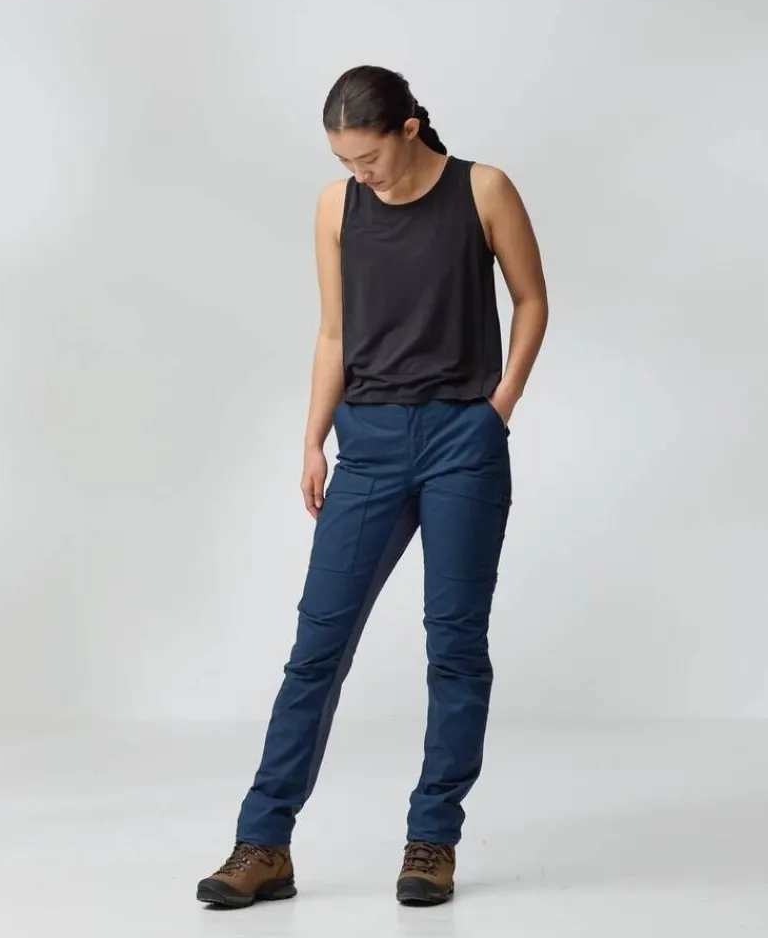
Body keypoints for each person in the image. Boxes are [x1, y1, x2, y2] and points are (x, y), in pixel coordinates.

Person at [196, 65, 548, 909]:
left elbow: (531, 300)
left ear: (410, 129)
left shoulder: (484, 190)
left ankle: (432, 840)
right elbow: (334, 331)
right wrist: (312, 439)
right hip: (370, 443)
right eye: (346, 162)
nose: (362, 175)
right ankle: (263, 844)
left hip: (463, 442)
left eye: (370, 158)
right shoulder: (336, 207)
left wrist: (497, 408)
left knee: (454, 647)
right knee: (317, 648)